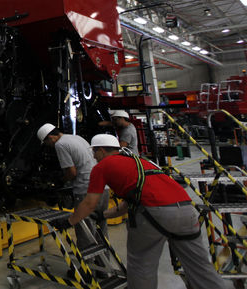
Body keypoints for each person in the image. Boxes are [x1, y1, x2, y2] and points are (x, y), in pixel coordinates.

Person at [64, 134, 226, 289]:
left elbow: (90, 202)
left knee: (142, 265)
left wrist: (69, 221)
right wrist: (104, 215)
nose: (94, 157)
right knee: (199, 265)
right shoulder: (140, 161)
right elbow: (132, 200)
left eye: (94, 152)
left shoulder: (102, 167)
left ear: (101, 150)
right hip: (185, 210)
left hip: (153, 214)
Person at [37, 123, 108, 250]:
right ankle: (103, 265)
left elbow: (72, 173)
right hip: (103, 187)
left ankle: (87, 267)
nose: (49, 146)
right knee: (101, 228)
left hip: (85, 189)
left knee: (85, 230)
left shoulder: (60, 144)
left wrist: (61, 182)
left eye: (47, 143)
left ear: (51, 138)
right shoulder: (77, 137)